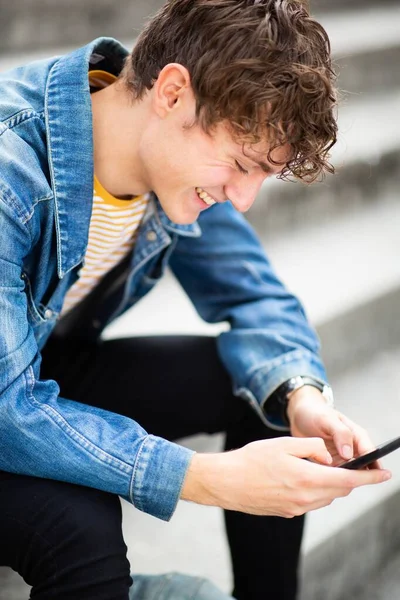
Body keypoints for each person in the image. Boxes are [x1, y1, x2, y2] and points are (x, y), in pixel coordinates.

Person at [0, 0, 391, 599]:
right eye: (240, 165)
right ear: (173, 92)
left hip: (36, 367)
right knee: (79, 528)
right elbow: (7, 408)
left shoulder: (169, 157)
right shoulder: (11, 166)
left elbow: (257, 296)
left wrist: (300, 394)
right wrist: (205, 478)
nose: (243, 200)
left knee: (263, 395)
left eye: (263, 175)